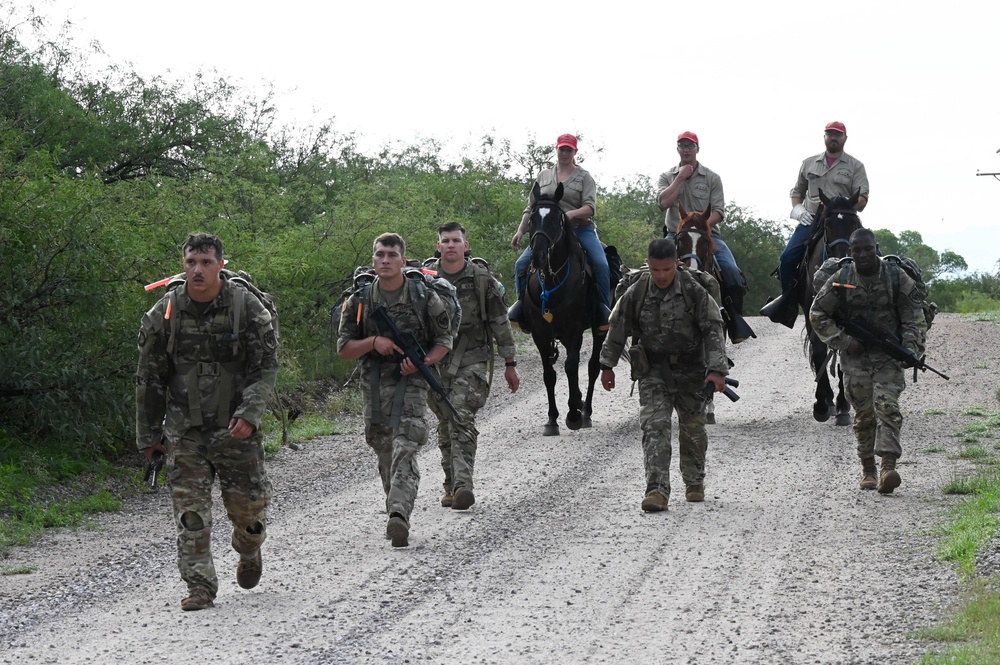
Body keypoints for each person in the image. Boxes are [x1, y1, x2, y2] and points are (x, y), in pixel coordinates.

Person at [135, 233, 279, 611]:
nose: (197, 270)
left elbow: (264, 369)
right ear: (183, 265)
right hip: (186, 432)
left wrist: (249, 414)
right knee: (191, 515)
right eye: (191, 262)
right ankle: (200, 587)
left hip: (236, 429)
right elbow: (148, 378)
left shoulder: (245, 307)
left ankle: (248, 549)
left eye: (206, 262)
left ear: (221, 265)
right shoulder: (164, 314)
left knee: (250, 515)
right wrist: (150, 436)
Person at [337, 232, 455, 547]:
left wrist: (423, 362)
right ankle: (395, 503)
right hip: (374, 381)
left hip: (413, 381)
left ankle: (399, 514)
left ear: (403, 260)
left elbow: (445, 340)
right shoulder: (361, 300)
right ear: (373, 261)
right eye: (380, 255)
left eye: (392, 255)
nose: (386, 260)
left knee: (407, 443)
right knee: (383, 447)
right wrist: (373, 342)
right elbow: (344, 349)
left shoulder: (423, 296)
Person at [598, 238, 729, 511]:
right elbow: (618, 326)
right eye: (655, 270)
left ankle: (694, 481)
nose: (660, 276)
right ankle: (656, 490)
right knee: (654, 427)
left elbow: (713, 329)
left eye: (666, 270)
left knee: (693, 428)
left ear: (676, 265)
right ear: (648, 266)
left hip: (692, 369)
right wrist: (607, 365)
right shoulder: (637, 291)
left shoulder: (694, 291)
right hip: (653, 369)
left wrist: (716, 370)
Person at [809, 228, 925, 493]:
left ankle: (888, 467)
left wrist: (910, 348)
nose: (863, 255)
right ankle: (868, 470)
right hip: (855, 358)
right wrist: (845, 342)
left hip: (888, 355)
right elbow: (817, 313)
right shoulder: (842, 278)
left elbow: (913, 314)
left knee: (887, 408)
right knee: (863, 416)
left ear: (876, 248)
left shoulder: (896, 277)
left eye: (867, 249)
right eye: (857, 250)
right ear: (850, 252)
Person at [424, 222, 521, 510]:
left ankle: (463, 485)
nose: (451, 245)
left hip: (473, 358)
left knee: (461, 416)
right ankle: (449, 483)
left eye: (456, 240)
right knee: (445, 422)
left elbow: (499, 323)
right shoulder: (425, 280)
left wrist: (510, 363)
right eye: (445, 240)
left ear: (466, 246)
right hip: (435, 361)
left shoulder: (482, 280)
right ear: (439, 245)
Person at [508, 133, 611, 332]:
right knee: (521, 264)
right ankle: (522, 307)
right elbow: (531, 207)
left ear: (575, 152)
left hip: (580, 229)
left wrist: (569, 215)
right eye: (562, 149)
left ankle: (603, 309)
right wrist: (520, 230)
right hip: (548, 231)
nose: (564, 153)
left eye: (569, 150)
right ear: (556, 149)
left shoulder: (584, 177)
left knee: (601, 263)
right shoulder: (544, 176)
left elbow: (590, 207)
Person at [656, 131, 748, 324]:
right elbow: (663, 203)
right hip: (675, 235)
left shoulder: (712, 178)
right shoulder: (667, 177)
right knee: (650, 273)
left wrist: (700, 227)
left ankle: (734, 321)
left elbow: (719, 212)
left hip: (708, 235)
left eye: (690, 146)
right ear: (677, 149)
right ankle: (646, 323)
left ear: (697, 149)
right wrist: (680, 178)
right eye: (682, 145)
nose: (686, 149)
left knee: (731, 272)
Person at [779, 121, 870, 294]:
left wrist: (844, 207)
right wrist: (798, 210)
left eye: (837, 134)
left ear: (845, 138)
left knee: (874, 254)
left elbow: (863, 197)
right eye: (830, 134)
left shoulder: (856, 166)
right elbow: (797, 192)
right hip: (812, 219)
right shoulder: (809, 163)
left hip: (845, 221)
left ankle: (877, 299)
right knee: (787, 258)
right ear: (824, 137)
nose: (833, 138)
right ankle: (787, 301)